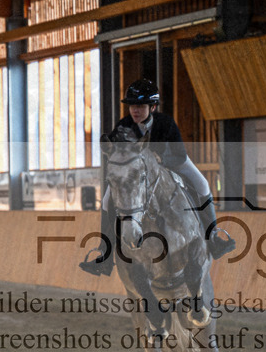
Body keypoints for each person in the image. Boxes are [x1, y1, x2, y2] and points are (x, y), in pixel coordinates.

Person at [79, 79, 236, 277]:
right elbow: (115, 154)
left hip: (174, 163)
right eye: (132, 106)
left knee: (202, 185)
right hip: (137, 174)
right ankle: (105, 253)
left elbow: (179, 154)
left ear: (152, 107)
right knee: (106, 200)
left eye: (140, 106)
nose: (135, 110)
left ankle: (213, 237)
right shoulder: (123, 126)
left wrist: (161, 159)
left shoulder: (166, 123)